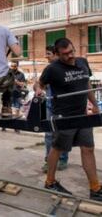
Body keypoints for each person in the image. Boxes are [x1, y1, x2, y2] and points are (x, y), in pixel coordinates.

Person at [37, 38, 102, 200]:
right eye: (65, 54)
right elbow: (39, 85)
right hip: (64, 117)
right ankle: (50, 181)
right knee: (58, 148)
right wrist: (39, 91)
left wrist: (94, 104)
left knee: (88, 148)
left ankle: (95, 188)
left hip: (82, 115)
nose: (71, 56)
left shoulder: (82, 62)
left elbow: (86, 85)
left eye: (72, 51)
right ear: (58, 54)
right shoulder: (52, 69)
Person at [41, 45, 69, 173]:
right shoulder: (48, 69)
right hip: (49, 106)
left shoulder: (65, 68)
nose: (46, 56)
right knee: (48, 135)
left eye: (48, 54)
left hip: (63, 107)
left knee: (62, 134)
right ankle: (49, 161)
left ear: (56, 55)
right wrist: (38, 89)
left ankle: (62, 159)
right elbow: (40, 83)